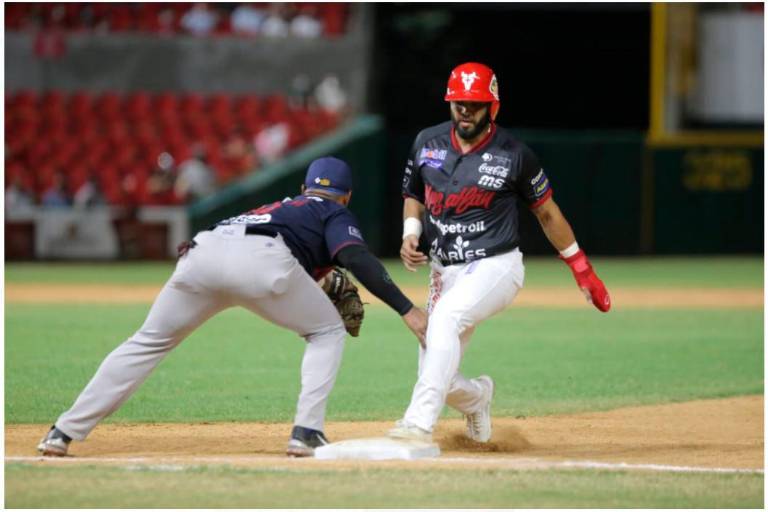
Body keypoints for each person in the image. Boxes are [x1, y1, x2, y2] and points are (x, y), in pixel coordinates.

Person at [37, 157, 428, 458]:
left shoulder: (276, 207)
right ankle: (306, 431)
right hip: (264, 261)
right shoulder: (333, 210)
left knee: (147, 342)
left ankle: (63, 432)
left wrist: (318, 280)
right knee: (325, 331)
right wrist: (407, 309)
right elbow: (356, 258)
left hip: (203, 252)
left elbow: (292, 253)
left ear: (303, 186)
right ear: (347, 196)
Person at [390, 62, 611, 444]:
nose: (465, 111)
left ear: (493, 107)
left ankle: (417, 424)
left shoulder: (514, 154)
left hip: (496, 265)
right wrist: (411, 232)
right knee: (435, 365)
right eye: (459, 103)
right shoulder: (427, 143)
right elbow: (413, 193)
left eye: (474, 104)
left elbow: (547, 212)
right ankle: (477, 398)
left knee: (444, 320)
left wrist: (582, 269)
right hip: (445, 270)